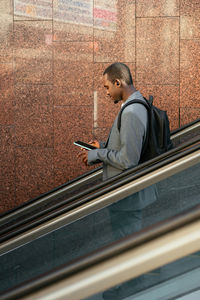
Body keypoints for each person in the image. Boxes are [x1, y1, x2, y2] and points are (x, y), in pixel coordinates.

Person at [79, 63, 157, 299]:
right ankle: (128, 286)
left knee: (126, 245)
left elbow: (128, 159)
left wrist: (97, 155)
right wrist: (101, 147)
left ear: (118, 82)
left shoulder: (132, 112)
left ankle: (127, 289)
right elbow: (125, 148)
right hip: (127, 196)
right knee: (126, 243)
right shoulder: (132, 107)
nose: (106, 93)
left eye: (106, 87)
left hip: (128, 197)